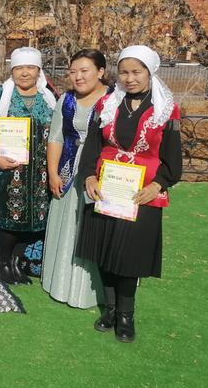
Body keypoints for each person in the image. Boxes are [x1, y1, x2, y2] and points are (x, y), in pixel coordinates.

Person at [77, 45, 182, 343]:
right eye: (124, 72)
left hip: (141, 193)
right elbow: (92, 146)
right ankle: (109, 310)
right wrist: (88, 176)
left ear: (150, 72)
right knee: (105, 252)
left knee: (128, 258)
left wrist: (157, 185)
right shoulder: (107, 104)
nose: (129, 78)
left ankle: (126, 315)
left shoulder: (166, 108)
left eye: (136, 72)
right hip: (107, 187)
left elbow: (173, 159)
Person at [0, 46, 57, 284]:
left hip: (39, 174)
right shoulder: (0, 95)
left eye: (30, 67)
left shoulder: (49, 98)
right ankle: (2, 261)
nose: (25, 73)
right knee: (10, 220)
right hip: (7, 170)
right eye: (19, 68)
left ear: (38, 70)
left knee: (32, 221)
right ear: (12, 70)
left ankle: (16, 263)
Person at [42, 49, 110, 308]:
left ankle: (93, 291)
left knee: (93, 227)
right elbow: (56, 138)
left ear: (100, 72)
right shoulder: (67, 101)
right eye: (73, 72)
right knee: (67, 223)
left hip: (100, 173)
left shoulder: (115, 100)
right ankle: (59, 282)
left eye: (85, 71)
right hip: (69, 170)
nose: (78, 77)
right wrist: (53, 173)